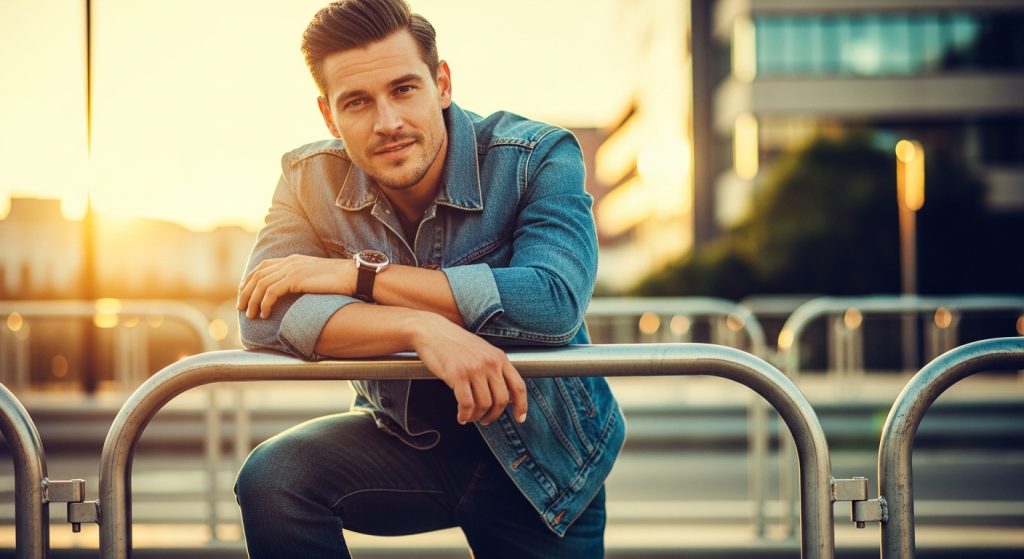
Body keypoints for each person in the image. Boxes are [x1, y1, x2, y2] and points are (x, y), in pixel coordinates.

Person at [233, 0, 624, 557]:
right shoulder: (306, 180)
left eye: (404, 89)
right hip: (404, 440)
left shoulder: (536, 156)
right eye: (358, 102)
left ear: (441, 83)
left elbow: (552, 301)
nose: (387, 122)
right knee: (274, 478)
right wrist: (419, 328)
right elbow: (264, 318)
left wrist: (357, 278)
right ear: (328, 116)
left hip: (544, 459)